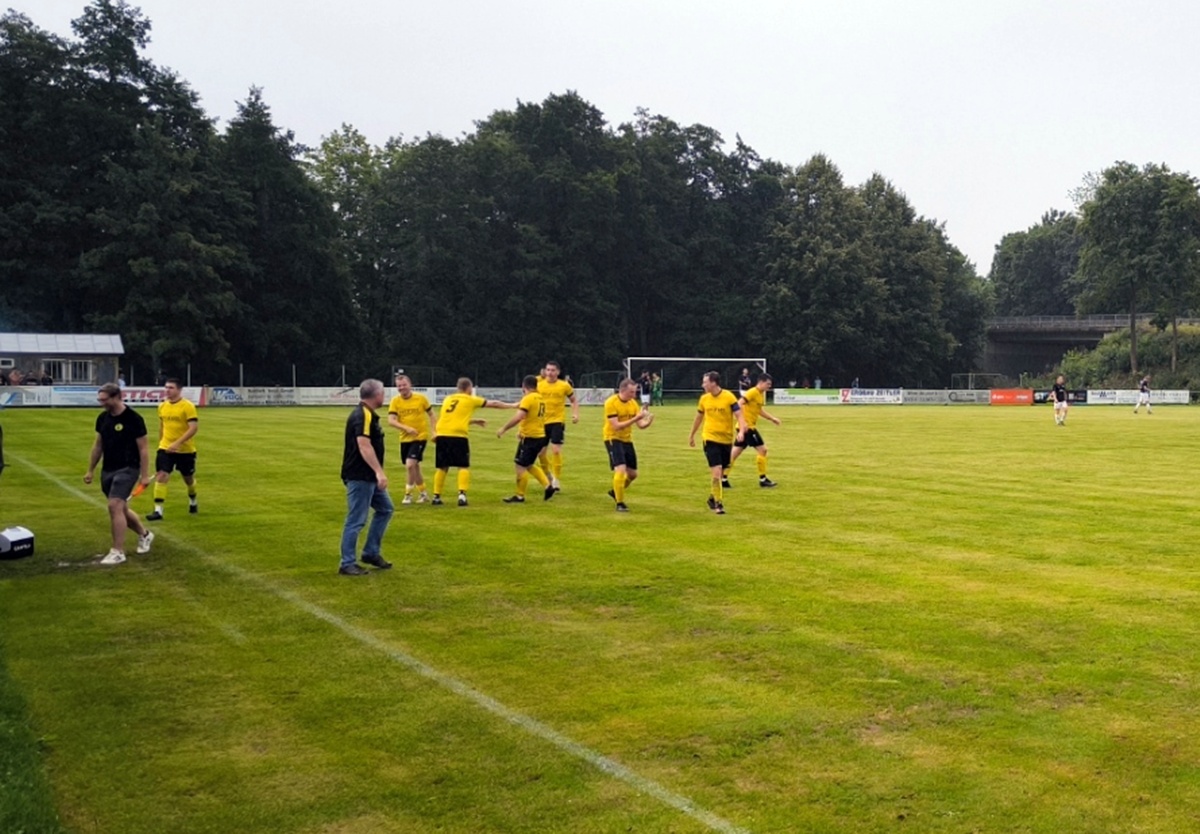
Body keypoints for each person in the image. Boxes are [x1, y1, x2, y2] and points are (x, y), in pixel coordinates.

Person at [83, 383, 154, 565]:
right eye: (100, 400)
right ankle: (145, 535)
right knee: (120, 509)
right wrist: (90, 469)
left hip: (128, 468)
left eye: (104, 400)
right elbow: (98, 445)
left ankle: (117, 551)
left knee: (114, 505)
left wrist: (144, 475)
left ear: (116, 397)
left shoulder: (134, 418)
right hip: (108, 469)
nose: (101, 403)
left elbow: (144, 449)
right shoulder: (103, 419)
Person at [431, 377, 515, 506]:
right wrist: (513, 405)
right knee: (463, 466)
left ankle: (436, 496)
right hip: (458, 435)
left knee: (442, 466)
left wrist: (474, 421)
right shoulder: (470, 399)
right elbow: (494, 404)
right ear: (469, 388)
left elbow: (453, 418)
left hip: (442, 434)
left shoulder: (448, 399)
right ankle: (462, 495)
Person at [339, 379, 393, 576]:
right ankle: (347, 563)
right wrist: (379, 471)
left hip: (366, 476)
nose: (384, 396)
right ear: (377, 395)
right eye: (383, 392)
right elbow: (364, 445)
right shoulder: (363, 415)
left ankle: (371, 552)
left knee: (385, 509)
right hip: (360, 476)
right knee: (356, 519)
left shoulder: (366, 414)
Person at [688, 371, 747, 515]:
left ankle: (712, 497)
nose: (703, 385)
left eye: (705, 382)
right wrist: (692, 435)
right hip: (710, 438)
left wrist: (741, 431)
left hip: (726, 439)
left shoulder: (728, 397)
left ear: (713, 383)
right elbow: (698, 418)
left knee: (720, 474)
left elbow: (739, 415)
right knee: (716, 472)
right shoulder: (704, 399)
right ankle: (718, 504)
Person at [497, 375, 556, 503]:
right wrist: (521, 430)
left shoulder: (528, 399)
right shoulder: (540, 398)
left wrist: (504, 428)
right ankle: (548, 486)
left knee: (520, 466)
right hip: (539, 436)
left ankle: (520, 495)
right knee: (528, 464)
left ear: (524, 387)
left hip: (530, 437)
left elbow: (520, 416)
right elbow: (531, 417)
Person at [146, 378, 199, 520]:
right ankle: (158, 511)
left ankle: (193, 500)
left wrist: (177, 443)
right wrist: (162, 444)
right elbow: (162, 427)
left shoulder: (187, 406)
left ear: (179, 390)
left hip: (185, 450)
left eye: (171, 388)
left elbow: (193, 428)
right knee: (162, 475)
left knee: (188, 479)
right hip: (165, 448)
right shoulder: (162, 406)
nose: (167, 390)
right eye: (166, 387)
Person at [603, 378, 654, 512]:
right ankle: (620, 503)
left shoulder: (633, 403)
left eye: (635, 391)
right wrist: (636, 418)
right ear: (623, 390)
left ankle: (616, 491)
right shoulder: (611, 403)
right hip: (612, 438)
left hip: (627, 439)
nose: (634, 394)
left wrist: (648, 422)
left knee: (632, 474)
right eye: (632, 392)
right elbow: (616, 426)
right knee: (620, 468)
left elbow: (640, 425)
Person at [387, 374, 434, 504]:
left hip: (420, 437)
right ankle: (423, 494)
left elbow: (431, 414)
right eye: (399, 386)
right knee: (415, 466)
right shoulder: (395, 401)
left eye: (404, 385)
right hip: (405, 438)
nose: (402, 388)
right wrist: (406, 428)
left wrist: (434, 431)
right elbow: (391, 421)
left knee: (410, 465)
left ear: (410, 385)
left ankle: (408, 495)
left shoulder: (421, 399)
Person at [728, 372, 781, 488]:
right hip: (748, 428)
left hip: (745, 427)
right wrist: (744, 422)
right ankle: (763, 479)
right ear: (761, 382)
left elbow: (759, 411)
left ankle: (722, 478)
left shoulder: (760, 395)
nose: (769, 387)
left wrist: (772, 419)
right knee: (763, 450)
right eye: (767, 384)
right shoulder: (752, 392)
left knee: (734, 453)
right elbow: (739, 404)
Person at [536, 360, 579, 492]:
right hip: (541, 422)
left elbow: (573, 400)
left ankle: (556, 480)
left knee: (556, 450)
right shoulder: (539, 385)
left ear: (558, 372)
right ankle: (548, 476)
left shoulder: (564, 386)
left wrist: (575, 414)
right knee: (541, 453)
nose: (550, 373)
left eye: (553, 370)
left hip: (557, 421)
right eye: (548, 370)